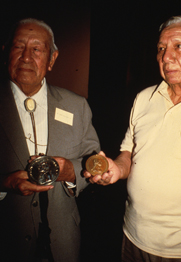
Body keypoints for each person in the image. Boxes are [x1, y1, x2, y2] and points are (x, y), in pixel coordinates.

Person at [84, 15, 181, 261]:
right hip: (133, 236)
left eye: (178, 46)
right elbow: (129, 152)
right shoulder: (144, 97)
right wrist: (116, 168)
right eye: (161, 48)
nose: (166, 57)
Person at [0, 18, 100, 262]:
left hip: (62, 244)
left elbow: (94, 158)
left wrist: (71, 172)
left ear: (52, 59)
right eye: (18, 46)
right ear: (5, 53)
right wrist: (3, 185)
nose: (25, 57)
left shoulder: (76, 105)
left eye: (36, 49)